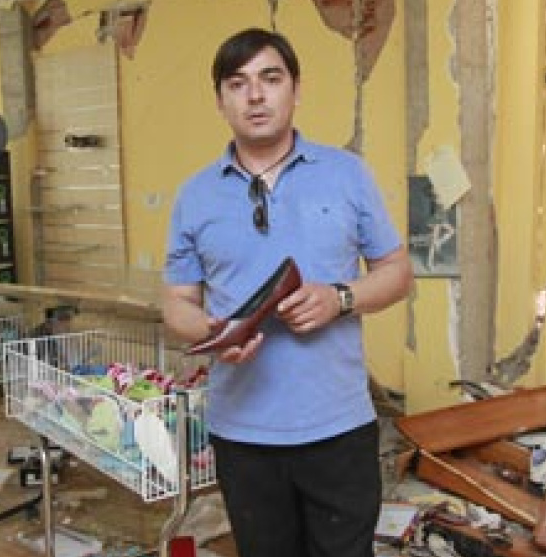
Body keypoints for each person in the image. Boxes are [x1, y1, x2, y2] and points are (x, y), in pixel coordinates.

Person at [162, 27, 413, 557]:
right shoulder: (194, 195)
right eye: (237, 83)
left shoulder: (348, 175)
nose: (255, 96)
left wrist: (339, 298)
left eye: (270, 79)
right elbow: (177, 302)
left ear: (296, 89)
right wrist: (212, 332)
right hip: (242, 434)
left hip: (339, 428)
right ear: (220, 100)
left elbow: (396, 272)